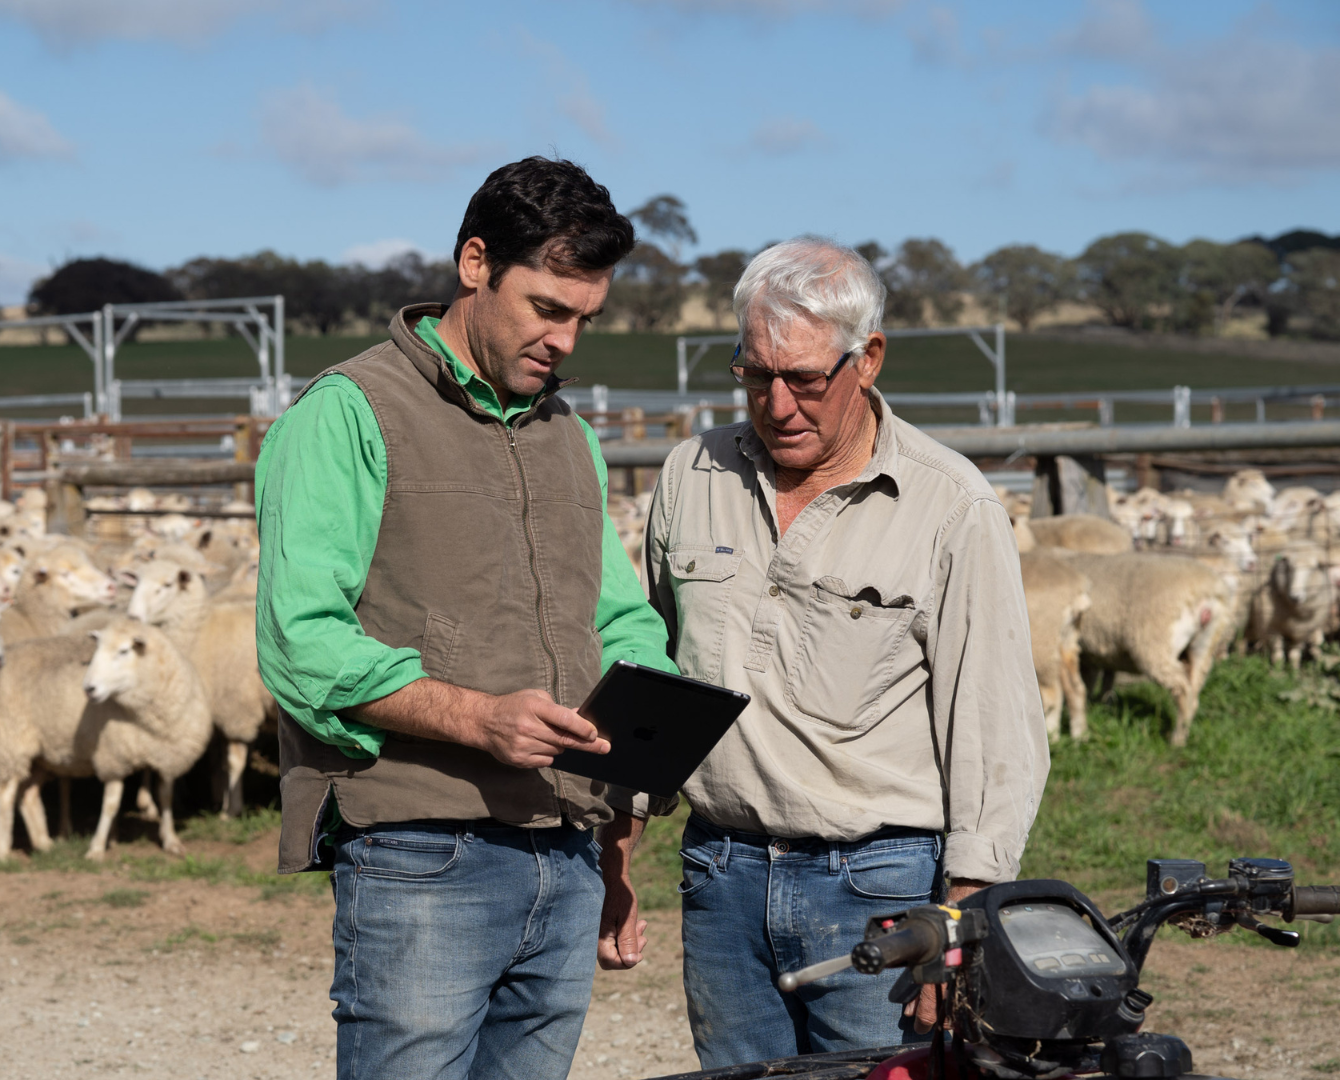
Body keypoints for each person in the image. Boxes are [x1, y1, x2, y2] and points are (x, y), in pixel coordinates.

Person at [254, 156, 678, 1080]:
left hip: (565, 856)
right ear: (476, 264)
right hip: (421, 854)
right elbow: (301, 640)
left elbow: (620, 621)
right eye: (547, 309)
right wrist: (478, 718)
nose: (565, 341)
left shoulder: (570, 438)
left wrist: (650, 725)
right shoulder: (348, 413)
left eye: (584, 320)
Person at [614, 236, 1049, 1067]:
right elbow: (656, 677)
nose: (777, 405)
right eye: (753, 374)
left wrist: (959, 916)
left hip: (879, 887)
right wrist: (620, 846)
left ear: (868, 359)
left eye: (806, 379)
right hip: (720, 873)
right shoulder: (689, 477)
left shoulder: (950, 506)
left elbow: (993, 724)